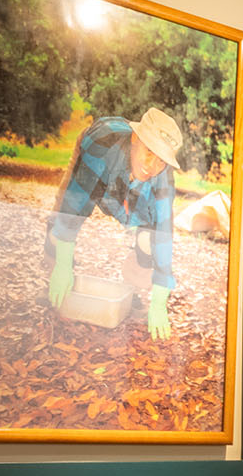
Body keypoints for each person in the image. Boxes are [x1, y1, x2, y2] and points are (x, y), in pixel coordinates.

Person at [45, 108, 183, 340]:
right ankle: (55, 282)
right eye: (149, 151)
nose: (152, 165)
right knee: (59, 224)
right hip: (96, 152)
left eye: (161, 160)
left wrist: (159, 302)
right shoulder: (101, 146)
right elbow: (73, 207)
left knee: (148, 242)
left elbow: (163, 234)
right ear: (135, 137)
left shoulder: (163, 177)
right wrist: (63, 264)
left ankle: (132, 286)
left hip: (127, 181)